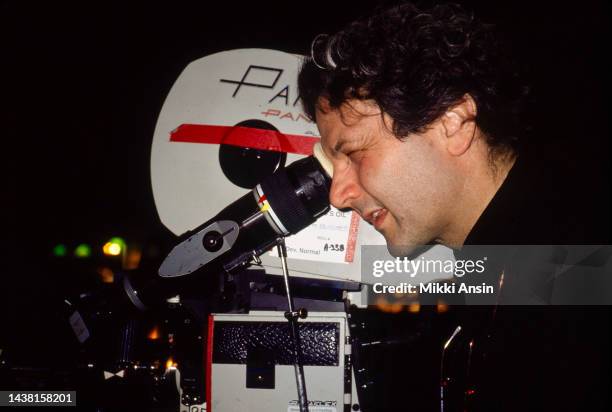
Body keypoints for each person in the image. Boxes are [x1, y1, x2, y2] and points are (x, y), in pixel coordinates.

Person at [298, 2, 610, 411]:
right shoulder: (505, 273)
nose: (338, 196)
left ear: (453, 123)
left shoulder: (584, 274)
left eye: (353, 153)